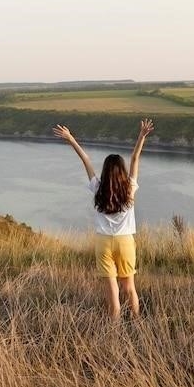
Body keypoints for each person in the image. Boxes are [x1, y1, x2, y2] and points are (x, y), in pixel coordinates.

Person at [52, 119, 154, 320]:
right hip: (125, 241)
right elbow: (134, 159)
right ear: (122, 171)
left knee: (113, 291)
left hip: (103, 242)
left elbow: (86, 160)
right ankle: (136, 325)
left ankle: (114, 330)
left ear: (105, 171)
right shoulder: (129, 188)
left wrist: (71, 138)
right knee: (130, 288)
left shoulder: (98, 188)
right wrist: (141, 136)